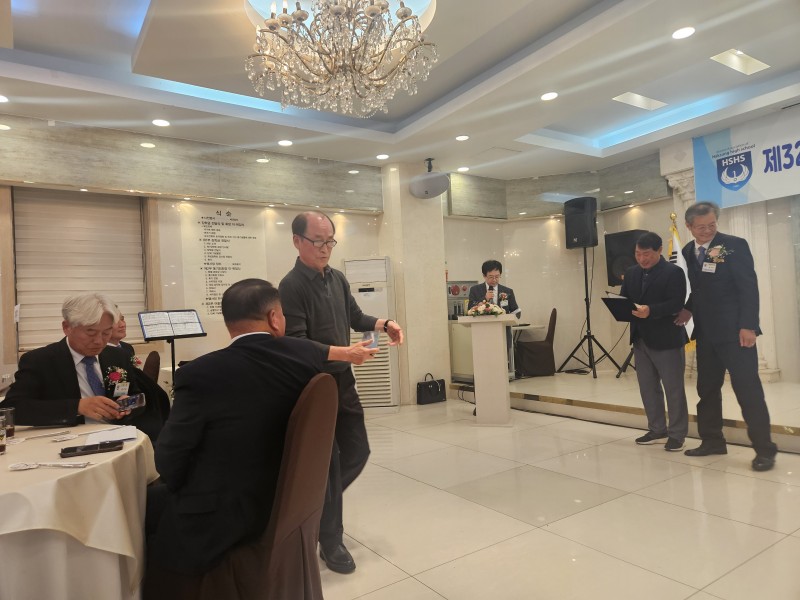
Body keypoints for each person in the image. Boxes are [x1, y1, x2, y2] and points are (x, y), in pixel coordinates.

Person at [147, 278, 354, 574]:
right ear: (274, 317)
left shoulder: (200, 373)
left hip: (225, 518)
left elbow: (169, 461)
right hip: (296, 505)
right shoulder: (306, 357)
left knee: (141, 506)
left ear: (228, 322)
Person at [279, 211, 404, 575]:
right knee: (330, 461)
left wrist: (384, 323)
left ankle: (314, 508)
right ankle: (330, 539)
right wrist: (344, 353)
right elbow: (296, 343)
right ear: (297, 241)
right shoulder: (290, 286)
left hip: (342, 380)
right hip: (314, 385)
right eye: (318, 241)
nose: (325, 248)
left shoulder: (336, 278)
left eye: (330, 241)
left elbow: (354, 317)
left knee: (357, 451)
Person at [676, 201, 777, 471]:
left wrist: (749, 326)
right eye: (701, 227)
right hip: (706, 334)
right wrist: (688, 309)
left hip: (736, 333)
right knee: (707, 389)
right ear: (689, 226)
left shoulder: (734, 245)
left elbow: (748, 287)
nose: (707, 230)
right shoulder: (688, 251)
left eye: (712, 225)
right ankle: (712, 441)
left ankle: (765, 450)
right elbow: (699, 288)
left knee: (748, 390)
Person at [3, 292, 163, 440]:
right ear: (67, 327)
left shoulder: (117, 356)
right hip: (68, 442)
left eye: (106, 333)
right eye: (91, 333)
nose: (99, 341)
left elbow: (135, 394)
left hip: (118, 437)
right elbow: (12, 409)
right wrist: (77, 407)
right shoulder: (41, 361)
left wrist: (128, 405)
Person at [620, 232, 689, 452]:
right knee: (648, 388)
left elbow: (676, 303)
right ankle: (657, 429)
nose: (642, 259)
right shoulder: (631, 273)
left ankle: (677, 434)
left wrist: (651, 310)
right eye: (638, 254)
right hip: (640, 338)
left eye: (647, 254)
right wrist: (619, 308)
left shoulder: (673, 272)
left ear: (659, 251)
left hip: (667, 338)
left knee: (673, 389)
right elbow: (625, 299)